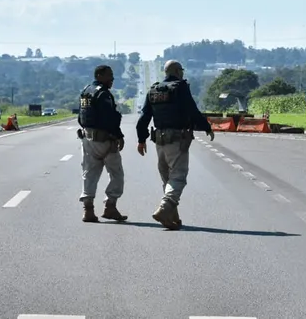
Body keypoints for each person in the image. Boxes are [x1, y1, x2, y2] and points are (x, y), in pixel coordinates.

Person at [136, 60, 214, 230]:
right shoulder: (180, 87)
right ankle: (165, 208)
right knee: (178, 176)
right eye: (182, 70)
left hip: (159, 141)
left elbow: (144, 117)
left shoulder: (154, 89)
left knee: (167, 179)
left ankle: (172, 217)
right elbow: (192, 110)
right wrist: (206, 127)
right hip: (177, 139)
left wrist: (141, 140)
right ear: (178, 71)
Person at [77, 64, 128, 223]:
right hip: (105, 140)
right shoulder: (103, 94)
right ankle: (110, 206)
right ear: (99, 75)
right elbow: (110, 119)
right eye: (109, 75)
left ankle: (88, 211)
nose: (112, 79)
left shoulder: (86, 91)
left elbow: (81, 117)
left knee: (89, 175)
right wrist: (119, 136)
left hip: (88, 139)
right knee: (116, 174)